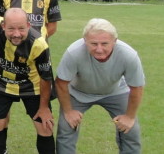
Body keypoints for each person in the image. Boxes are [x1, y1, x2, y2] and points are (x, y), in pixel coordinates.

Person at [55, 18, 144, 154]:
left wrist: (130, 117)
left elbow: (137, 87)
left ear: (114, 41)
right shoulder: (73, 52)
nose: (99, 49)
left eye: (105, 43)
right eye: (93, 44)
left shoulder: (129, 55)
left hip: (115, 92)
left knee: (131, 130)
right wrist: (68, 111)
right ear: (85, 41)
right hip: (78, 93)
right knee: (66, 127)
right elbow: (61, 83)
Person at [0, 8, 55, 154]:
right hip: (0, 83)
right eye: (11, 28)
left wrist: (44, 107)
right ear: (3, 25)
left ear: (29, 26)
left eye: (21, 28)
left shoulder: (38, 44)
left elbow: (46, 77)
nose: (16, 34)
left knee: (45, 126)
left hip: (32, 87)